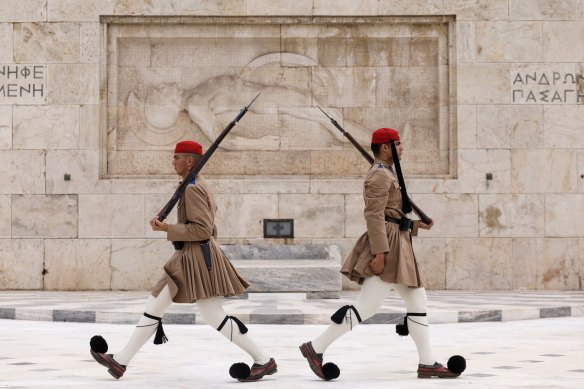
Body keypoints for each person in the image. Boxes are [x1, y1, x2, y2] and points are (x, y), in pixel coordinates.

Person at [90, 140, 277, 382]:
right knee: (181, 309)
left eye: (177, 157)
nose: (173, 161)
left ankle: (263, 360)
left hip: (194, 258)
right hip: (192, 257)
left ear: (190, 161)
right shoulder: (195, 185)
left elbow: (203, 229)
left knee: (185, 309)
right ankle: (121, 361)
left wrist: (167, 228)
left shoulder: (193, 188)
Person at [299, 127, 463, 380]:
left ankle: (427, 362)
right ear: (385, 147)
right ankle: (316, 347)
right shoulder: (379, 176)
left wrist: (417, 226)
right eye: (398, 144)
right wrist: (380, 253)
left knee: (417, 302)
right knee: (368, 305)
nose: (402, 148)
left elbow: (393, 216)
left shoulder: (387, 174)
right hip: (388, 247)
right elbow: (374, 217)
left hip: (398, 243)